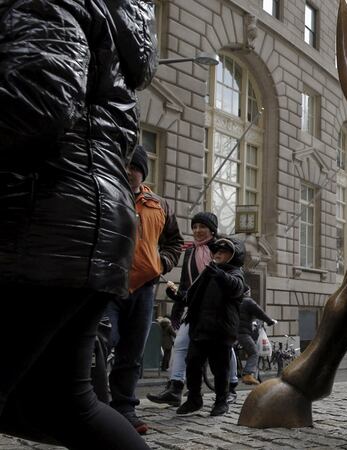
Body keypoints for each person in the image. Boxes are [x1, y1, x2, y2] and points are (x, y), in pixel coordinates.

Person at [0, 1, 156, 447]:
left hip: (39, 228)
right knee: (60, 404)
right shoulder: (104, 22)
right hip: (79, 230)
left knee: (65, 402)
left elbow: (36, 104)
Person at [105, 145, 182, 434]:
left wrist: (162, 263)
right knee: (101, 343)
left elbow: (175, 242)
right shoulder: (106, 193)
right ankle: (95, 405)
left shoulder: (159, 205)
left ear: (142, 172)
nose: (128, 171)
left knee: (132, 353)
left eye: (134, 167)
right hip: (108, 286)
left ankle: (124, 409)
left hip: (145, 289)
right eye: (124, 166)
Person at [148, 212, 239, 405]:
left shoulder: (223, 247)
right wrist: (176, 311)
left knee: (224, 347)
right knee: (181, 343)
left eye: (202, 227)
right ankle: (176, 387)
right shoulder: (190, 251)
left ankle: (231, 387)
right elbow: (185, 285)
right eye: (194, 227)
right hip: (196, 309)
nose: (197, 231)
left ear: (212, 229)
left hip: (220, 310)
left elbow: (235, 276)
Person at [175, 237, 246, 417]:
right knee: (192, 363)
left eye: (223, 252)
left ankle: (221, 401)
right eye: (216, 251)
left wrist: (220, 274)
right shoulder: (208, 272)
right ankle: (194, 399)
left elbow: (237, 287)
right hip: (200, 327)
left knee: (220, 368)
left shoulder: (235, 272)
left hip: (221, 330)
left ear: (233, 255)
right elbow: (192, 297)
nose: (218, 254)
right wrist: (177, 296)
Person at [239, 293, 277, 385]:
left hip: (229, 331)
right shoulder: (248, 301)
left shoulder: (233, 301)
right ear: (247, 292)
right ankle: (247, 374)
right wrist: (270, 321)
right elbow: (260, 313)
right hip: (242, 332)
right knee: (254, 352)